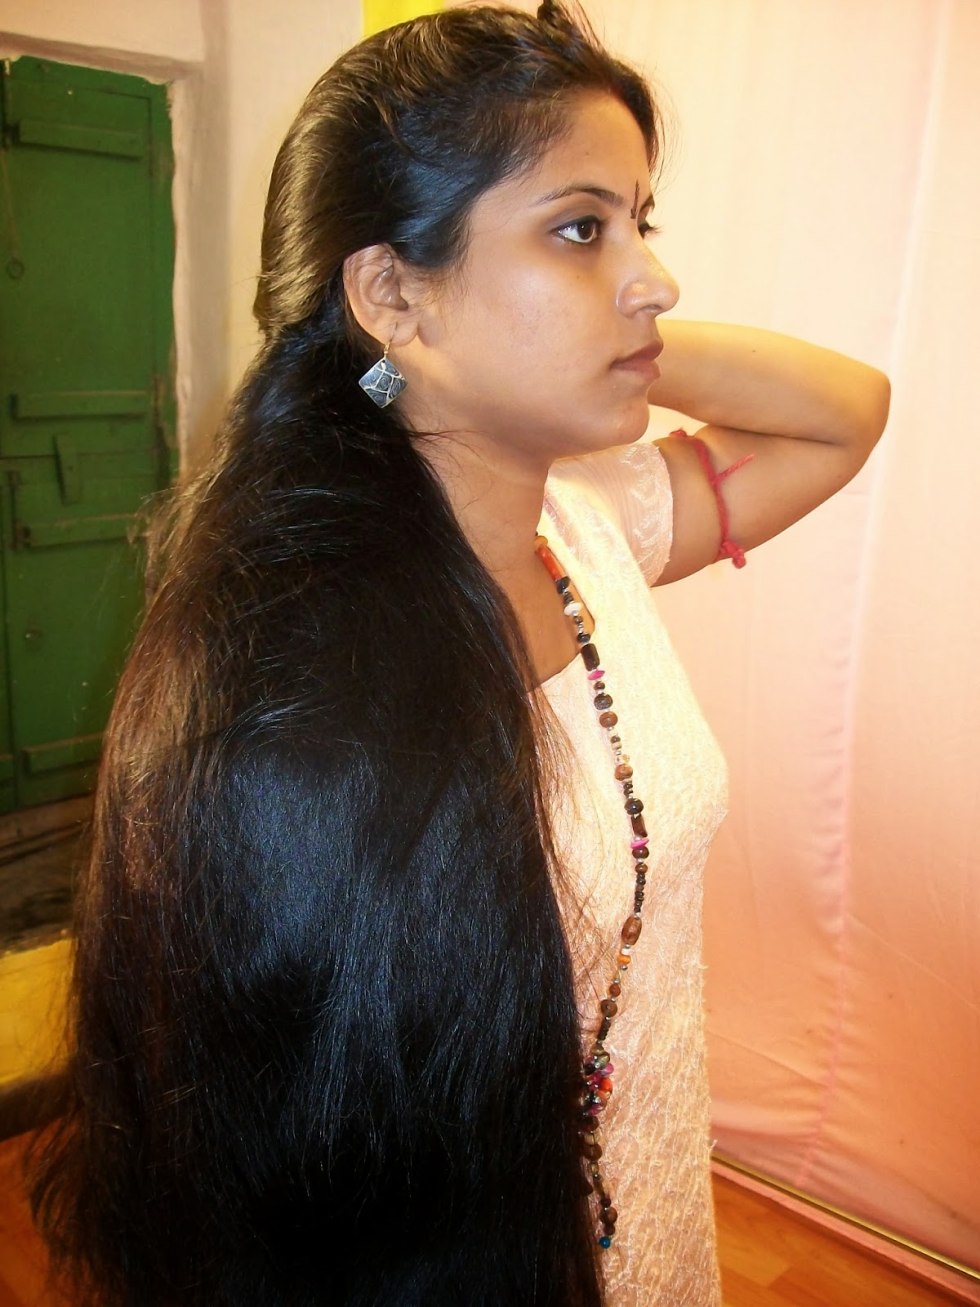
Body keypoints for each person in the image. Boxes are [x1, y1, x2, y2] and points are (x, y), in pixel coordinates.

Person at [29, 4, 889, 1305]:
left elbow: (846, 414)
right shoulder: (312, 699)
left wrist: (602, 332)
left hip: (655, 1219)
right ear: (391, 291)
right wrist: (525, 339)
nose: (654, 278)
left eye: (641, 223)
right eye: (580, 229)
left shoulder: (587, 529)